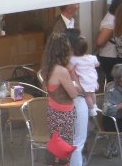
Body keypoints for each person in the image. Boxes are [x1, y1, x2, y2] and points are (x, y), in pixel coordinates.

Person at [42, 34, 81, 166]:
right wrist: (73, 74)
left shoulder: (47, 68)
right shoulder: (62, 71)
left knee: (56, 146)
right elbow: (74, 93)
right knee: (64, 151)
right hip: (64, 114)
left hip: (53, 111)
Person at [95, 0, 122, 84]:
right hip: (110, 57)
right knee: (114, 83)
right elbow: (100, 42)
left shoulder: (112, 17)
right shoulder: (111, 20)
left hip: (114, 56)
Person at [69, 36, 100, 115]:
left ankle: (92, 109)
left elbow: (69, 67)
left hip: (84, 80)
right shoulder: (92, 57)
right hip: (92, 79)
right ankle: (95, 105)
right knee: (92, 93)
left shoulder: (74, 59)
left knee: (87, 96)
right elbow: (97, 64)